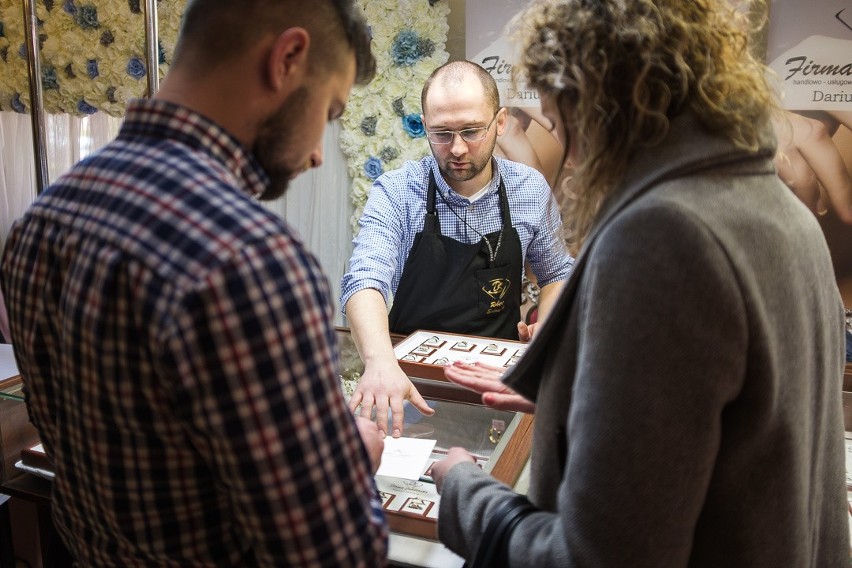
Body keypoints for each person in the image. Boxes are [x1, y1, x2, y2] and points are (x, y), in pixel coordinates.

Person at [430, 1, 849, 566]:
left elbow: (598, 557)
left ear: (601, 108)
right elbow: (725, 419)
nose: (572, 162)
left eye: (564, 127)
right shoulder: (777, 209)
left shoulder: (662, 234)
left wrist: (465, 492)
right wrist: (579, 394)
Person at [0, 1, 389, 566]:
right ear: (288, 57)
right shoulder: (249, 259)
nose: (314, 153)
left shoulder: (40, 222)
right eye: (328, 112)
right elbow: (334, 553)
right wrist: (348, 461)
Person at [340, 60, 573, 437]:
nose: (458, 149)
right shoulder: (398, 192)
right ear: (425, 126)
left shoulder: (529, 189)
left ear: (499, 123)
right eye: (442, 134)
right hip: (409, 385)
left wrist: (546, 328)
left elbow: (557, 273)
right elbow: (365, 280)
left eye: (471, 131)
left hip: (499, 382)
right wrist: (379, 360)